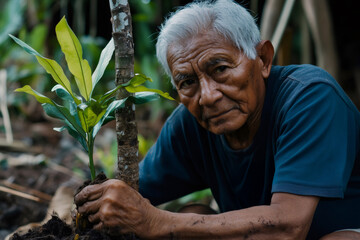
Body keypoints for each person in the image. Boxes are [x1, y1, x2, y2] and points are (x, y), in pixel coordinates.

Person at [74, 0, 360, 239]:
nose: (208, 96)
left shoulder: (309, 97)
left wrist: (156, 222)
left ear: (262, 59)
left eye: (221, 68)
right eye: (187, 82)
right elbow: (128, 198)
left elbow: (288, 226)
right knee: (192, 216)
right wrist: (80, 206)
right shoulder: (189, 125)